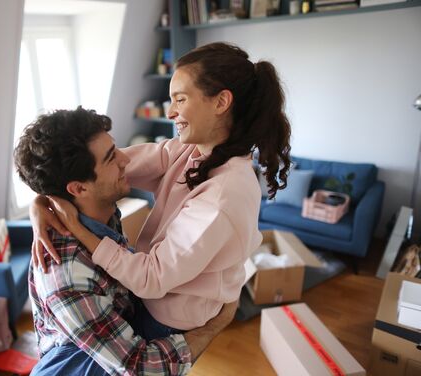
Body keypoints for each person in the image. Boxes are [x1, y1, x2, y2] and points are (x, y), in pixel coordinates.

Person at [31, 42, 291, 340]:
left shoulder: (223, 195)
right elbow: (100, 169)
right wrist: (41, 200)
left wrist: (79, 229)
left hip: (169, 318)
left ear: (221, 102)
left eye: (180, 99)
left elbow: (151, 278)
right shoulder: (190, 150)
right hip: (150, 294)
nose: (170, 112)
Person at [14, 107, 238, 375]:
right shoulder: (67, 274)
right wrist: (216, 324)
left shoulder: (99, 211)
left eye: (116, 148)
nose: (125, 159)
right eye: (111, 158)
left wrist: (40, 201)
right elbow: (141, 368)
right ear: (79, 188)